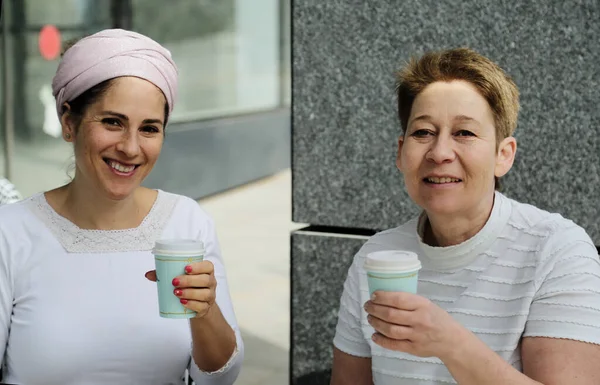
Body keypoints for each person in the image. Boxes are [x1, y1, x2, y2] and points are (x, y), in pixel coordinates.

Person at [331, 48, 600, 384]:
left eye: (465, 133)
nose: (440, 152)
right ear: (400, 153)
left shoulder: (557, 250)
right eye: (423, 133)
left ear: (504, 155)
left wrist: (450, 344)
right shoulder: (374, 257)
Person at [0, 29, 243, 385]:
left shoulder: (187, 222)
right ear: (69, 123)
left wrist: (203, 313)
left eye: (149, 128)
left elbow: (219, 378)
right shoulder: (11, 231)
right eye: (113, 122)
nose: (130, 148)